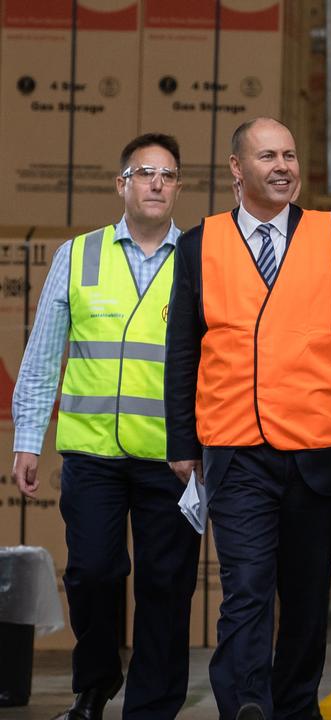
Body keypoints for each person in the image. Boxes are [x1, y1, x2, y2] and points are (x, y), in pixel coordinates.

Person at [164, 117, 331, 720]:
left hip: (317, 447)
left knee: (307, 596)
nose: (283, 166)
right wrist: (182, 441)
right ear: (238, 169)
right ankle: (247, 703)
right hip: (235, 448)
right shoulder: (199, 245)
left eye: (290, 154)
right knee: (245, 587)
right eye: (268, 156)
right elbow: (183, 347)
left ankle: (294, 705)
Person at [9, 133, 199, 720]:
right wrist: (27, 439)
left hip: (172, 457)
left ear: (178, 189)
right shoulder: (78, 255)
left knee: (166, 586)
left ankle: (152, 707)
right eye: (145, 173)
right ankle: (93, 686)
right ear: (122, 185)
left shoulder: (198, 260)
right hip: (92, 455)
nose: (156, 183)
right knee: (92, 572)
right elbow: (43, 355)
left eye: (168, 175)